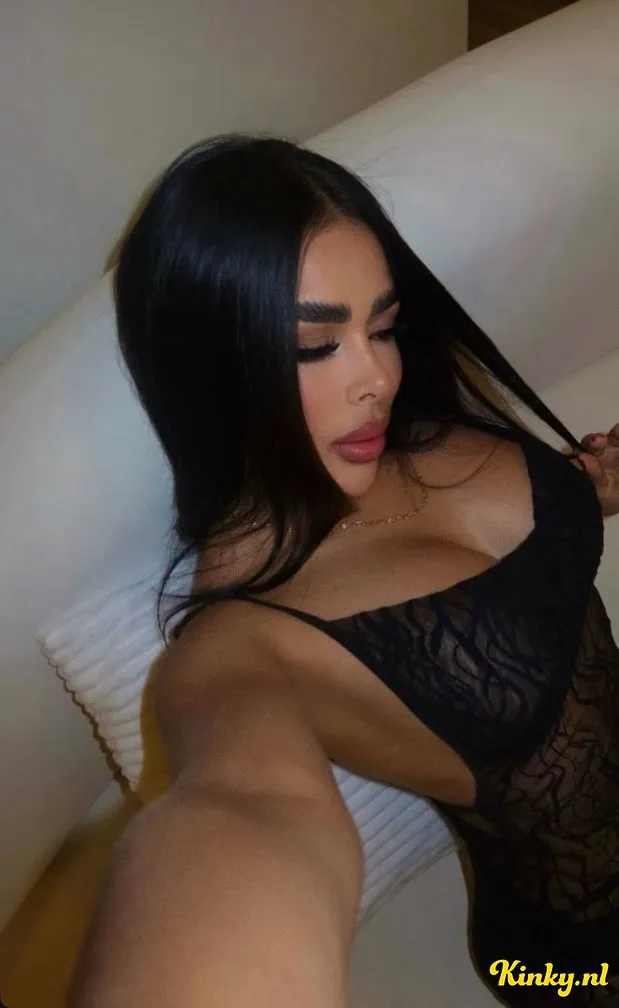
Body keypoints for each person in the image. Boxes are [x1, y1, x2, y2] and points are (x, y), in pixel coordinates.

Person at [69, 133, 619, 1008]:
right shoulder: (244, 647)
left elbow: (513, 574)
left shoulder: (404, 432)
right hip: (578, 959)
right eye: (313, 346)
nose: (379, 378)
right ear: (210, 368)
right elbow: (241, 811)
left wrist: (583, 493)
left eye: (383, 327)